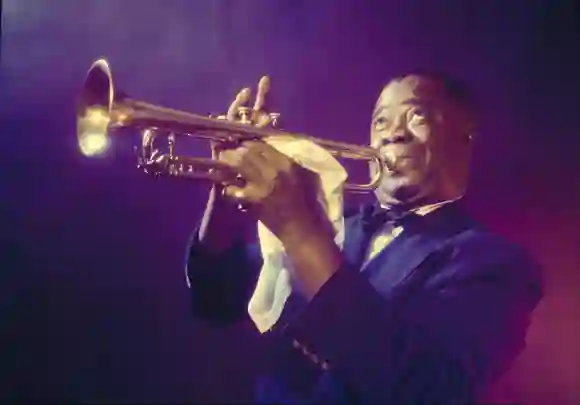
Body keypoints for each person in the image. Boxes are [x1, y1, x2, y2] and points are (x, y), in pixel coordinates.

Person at [185, 73, 544, 403]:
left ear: (465, 134)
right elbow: (217, 296)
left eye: (415, 116)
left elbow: (425, 388)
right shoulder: (338, 224)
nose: (392, 133)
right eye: (380, 122)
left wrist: (300, 230)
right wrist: (229, 184)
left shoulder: (495, 263)